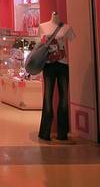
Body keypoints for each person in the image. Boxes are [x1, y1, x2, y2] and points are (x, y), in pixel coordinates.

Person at [37, 11, 75, 142]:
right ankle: (45, 132)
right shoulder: (43, 26)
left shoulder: (67, 28)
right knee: (48, 98)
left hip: (63, 65)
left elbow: (72, 40)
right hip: (48, 65)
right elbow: (41, 42)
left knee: (64, 100)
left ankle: (62, 133)